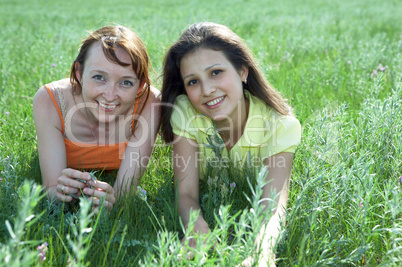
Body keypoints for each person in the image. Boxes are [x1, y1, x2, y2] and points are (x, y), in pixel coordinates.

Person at [160, 22, 301, 266]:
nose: (207, 90)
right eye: (193, 81)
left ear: (243, 71)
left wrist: (262, 253)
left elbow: (273, 207)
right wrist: (196, 228)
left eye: (216, 72)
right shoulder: (185, 112)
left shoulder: (280, 125)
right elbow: (187, 193)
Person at [33, 25, 160, 212]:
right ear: (79, 73)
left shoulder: (149, 103)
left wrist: (113, 202)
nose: (110, 95)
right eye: (99, 77)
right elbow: (52, 194)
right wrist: (60, 192)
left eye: (126, 82)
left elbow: (124, 194)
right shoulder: (50, 101)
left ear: (140, 86)